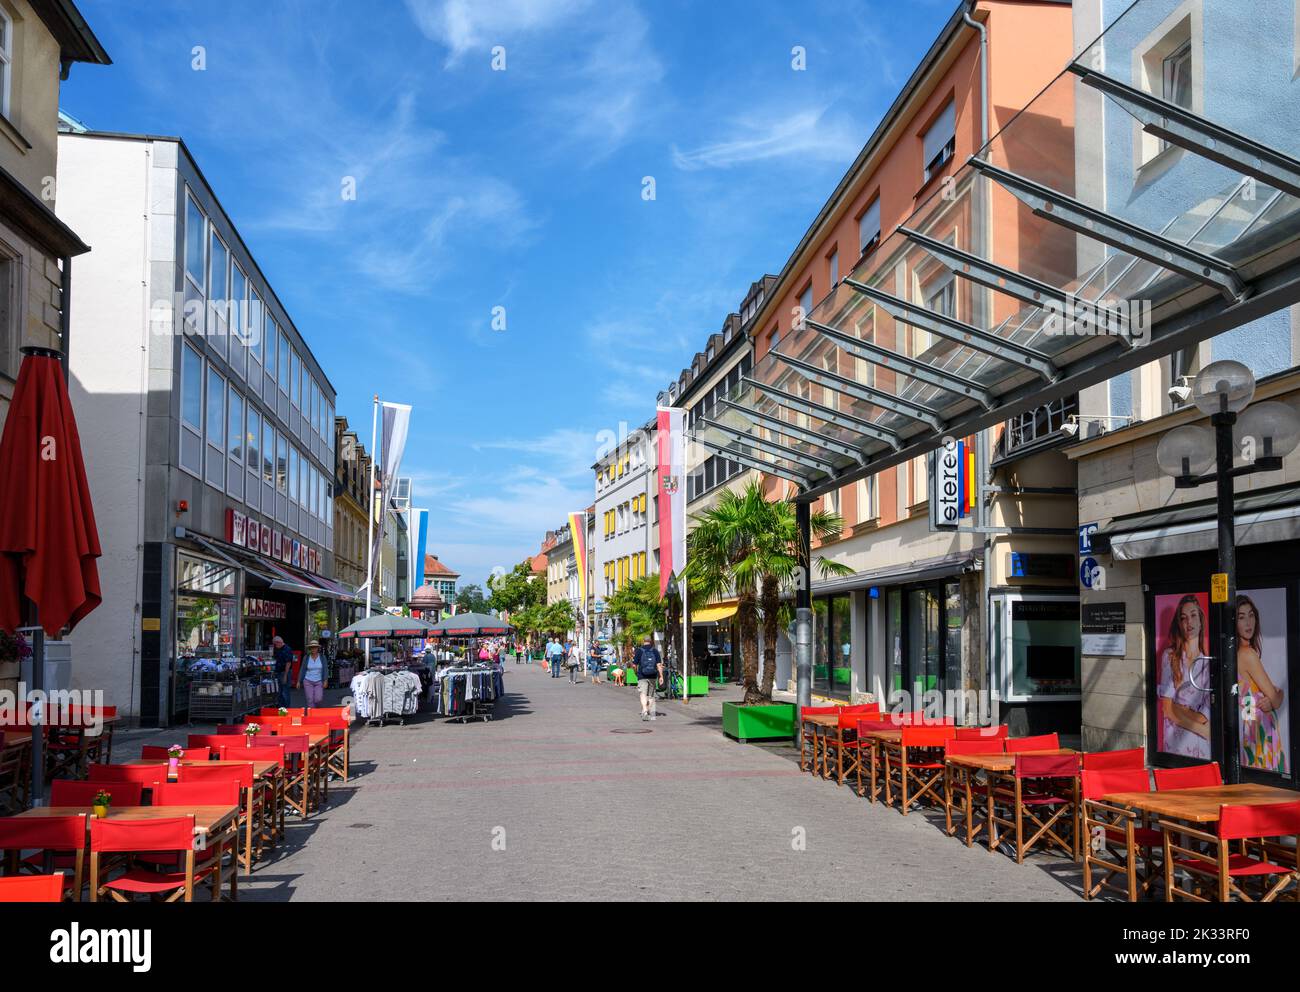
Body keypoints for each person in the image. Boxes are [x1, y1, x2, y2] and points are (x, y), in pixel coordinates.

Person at [1235, 594, 1287, 772]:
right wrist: (1279, 694)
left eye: (1251, 615)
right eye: (1241, 617)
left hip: (1250, 729)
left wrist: (1274, 696)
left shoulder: (1236, 653)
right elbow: (1275, 699)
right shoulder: (1247, 654)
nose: (1248, 622)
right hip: (1259, 732)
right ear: (1234, 622)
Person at [1158, 595, 1211, 759]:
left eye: (1194, 615)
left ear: (1201, 621)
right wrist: (1203, 730)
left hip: (1202, 748)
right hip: (1176, 743)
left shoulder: (1208, 662)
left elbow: (1204, 715)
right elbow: (1167, 709)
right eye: (1184, 618)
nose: (1189, 622)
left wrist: (1179, 709)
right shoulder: (1170, 656)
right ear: (1179, 624)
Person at [633, 634, 663, 722]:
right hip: (653, 676)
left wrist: (636, 672)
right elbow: (659, 665)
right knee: (651, 695)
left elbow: (634, 665)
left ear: (643, 641)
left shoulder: (639, 651)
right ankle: (647, 711)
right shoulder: (655, 651)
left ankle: (645, 711)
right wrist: (661, 676)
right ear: (651, 641)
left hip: (642, 676)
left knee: (643, 693)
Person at [298, 640, 327, 708]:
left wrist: (325, 680)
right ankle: (312, 715)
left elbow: (325, 669)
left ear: (318, 648)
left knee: (318, 699)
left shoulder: (322, 657)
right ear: (310, 649)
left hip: (319, 681)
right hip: (308, 681)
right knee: (310, 700)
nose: (313, 649)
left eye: (315, 647)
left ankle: (317, 709)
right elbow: (302, 669)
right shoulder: (306, 657)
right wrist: (299, 681)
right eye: (312, 647)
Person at [272, 635, 294, 708]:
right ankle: (281, 709)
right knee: (280, 692)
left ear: (278, 642)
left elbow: (288, 663)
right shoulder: (279, 649)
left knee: (285, 692)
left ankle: (287, 709)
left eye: (275, 644)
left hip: (284, 672)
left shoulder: (287, 649)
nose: (275, 646)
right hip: (280, 672)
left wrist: (285, 675)